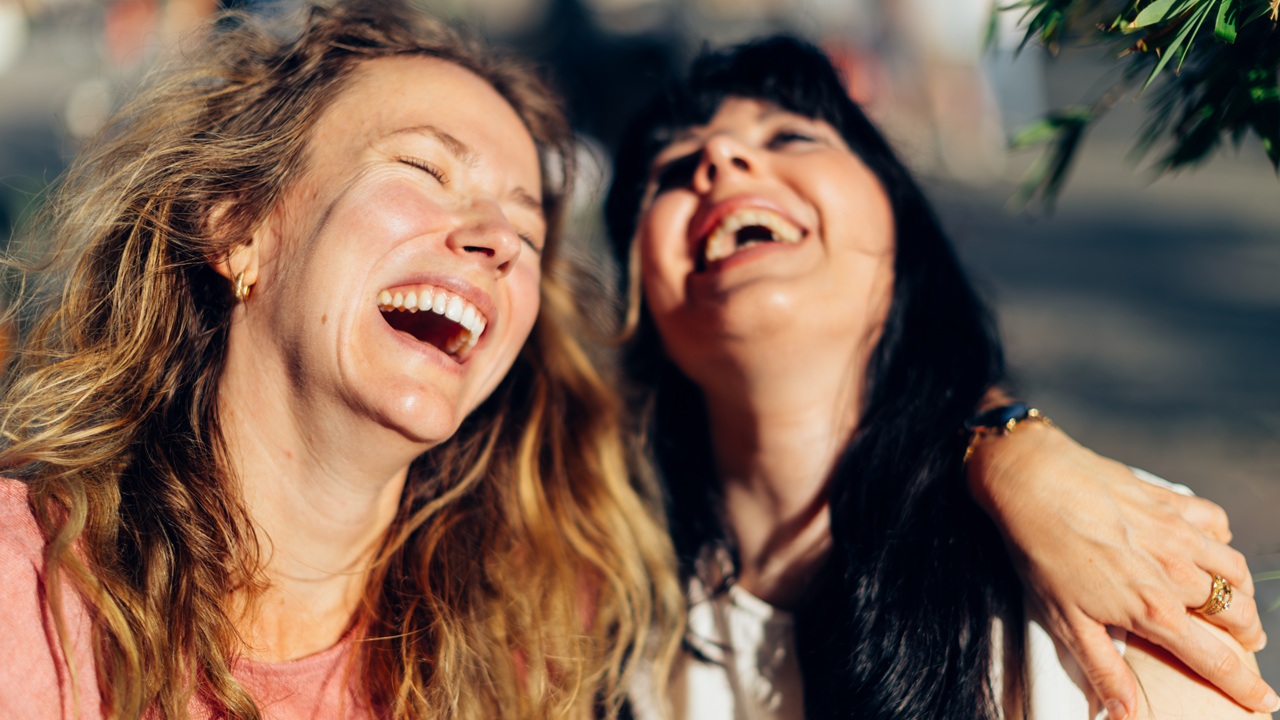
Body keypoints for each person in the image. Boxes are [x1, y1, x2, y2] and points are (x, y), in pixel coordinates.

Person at [0, 3, 684, 718]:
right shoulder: (24, 590)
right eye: (424, 168)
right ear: (238, 227)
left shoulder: (542, 654)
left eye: (527, 231)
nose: (497, 240)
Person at [604, 36, 1277, 719]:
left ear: (901, 230)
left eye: (790, 135)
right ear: (638, 298)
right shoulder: (594, 603)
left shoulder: (1102, 559)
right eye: (674, 168)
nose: (719, 160)